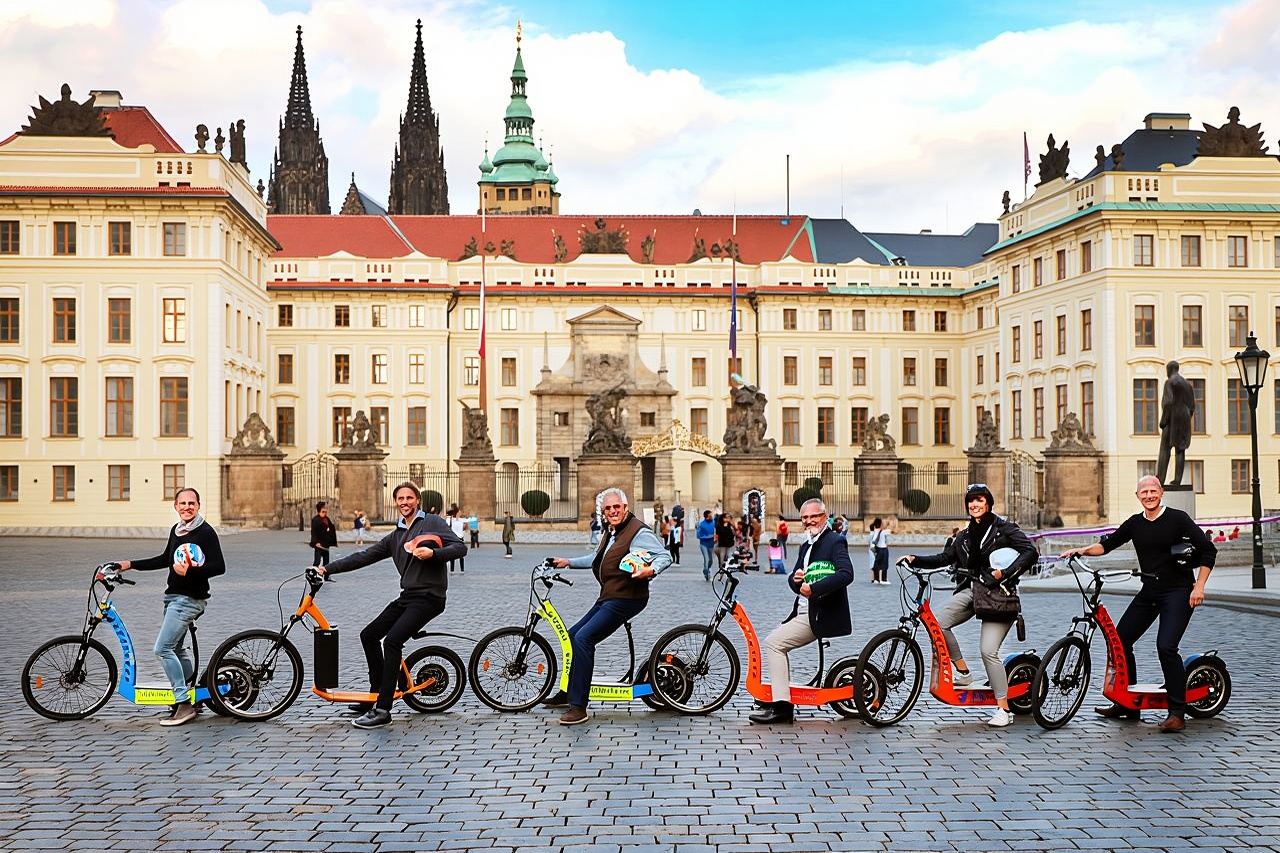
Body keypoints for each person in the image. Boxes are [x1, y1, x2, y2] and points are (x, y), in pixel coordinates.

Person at [1060, 475, 1216, 732]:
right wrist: (1081, 551)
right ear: (1138, 496)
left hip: (1178, 592)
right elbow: (1107, 545)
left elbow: (1208, 551)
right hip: (1150, 591)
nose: (1149, 495)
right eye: (1144, 492)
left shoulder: (1178, 519)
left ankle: (1177, 712)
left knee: (1166, 646)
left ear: (1161, 492)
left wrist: (1198, 587)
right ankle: (1127, 704)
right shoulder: (1135, 523)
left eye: (1153, 491)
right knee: (1120, 641)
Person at [318, 481, 467, 729]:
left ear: (417, 500)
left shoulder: (432, 522)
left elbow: (460, 548)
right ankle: (376, 693)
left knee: (392, 641)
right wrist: (327, 568)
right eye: (400, 499)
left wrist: (434, 554)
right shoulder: (396, 535)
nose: (405, 502)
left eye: (409, 498)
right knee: (369, 635)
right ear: (396, 502)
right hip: (408, 596)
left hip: (430, 597)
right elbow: (363, 557)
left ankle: (383, 709)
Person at [905, 483, 1038, 728]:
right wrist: (916, 559)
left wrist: (1004, 573)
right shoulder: (965, 535)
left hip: (998, 594)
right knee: (937, 623)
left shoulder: (1004, 529)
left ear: (988, 503)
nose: (974, 505)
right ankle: (964, 674)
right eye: (971, 501)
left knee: (988, 651)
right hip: (971, 591)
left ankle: (1003, 709)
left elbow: (1030, 552)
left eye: (979, 500)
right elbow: (946, 558)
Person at [546, 488, 671, 725]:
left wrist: (650, 570)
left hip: (627, 598)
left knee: (584, 639)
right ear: (603, 512)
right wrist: (568, 562)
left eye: (617, 507)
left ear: (625, 508)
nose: (613, 511)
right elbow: (597, 558)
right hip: (609, 596)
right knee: (572, 635)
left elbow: (665, 556)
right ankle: (569, 691)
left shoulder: (638, 532)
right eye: (608, 509)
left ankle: (578, 707)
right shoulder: (611, 532)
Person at [109, 487, 225, 727]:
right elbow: (165, 559)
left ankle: (183, 704)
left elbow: (219, 566)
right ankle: (192, 697)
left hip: (189, 599)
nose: (187, 507)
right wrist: (128, 564)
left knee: (162, 648)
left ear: (199, 506)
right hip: (172, 596)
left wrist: (192, 570)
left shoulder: (205, 532)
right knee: (178, 649)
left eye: (191, 503)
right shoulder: (177, 530)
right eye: (182, 503)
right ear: (175, 506)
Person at [749, 498, 855, 724]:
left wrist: (814, 588)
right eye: (805, 517)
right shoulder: (806, 544)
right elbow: (794, 580)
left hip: (819, 614)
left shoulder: (835, 541)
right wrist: (796, 581)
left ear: (824, 517)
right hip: (802, 611)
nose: (809, 521)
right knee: (777, 642)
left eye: (814, 516)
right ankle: (780, 694)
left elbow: (846, 574)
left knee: (773, 643)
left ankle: (782, 707)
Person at [310, 501, 337, 567]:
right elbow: (313, 532)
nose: (325, 513)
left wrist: (332, 540)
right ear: (319, 511)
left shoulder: (327, 519)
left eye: (325, 512)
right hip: (319, 544)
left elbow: (331, 529)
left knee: (326, 563)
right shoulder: (315, 520)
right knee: (317, 561)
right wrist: (315, 542)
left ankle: (326, 576)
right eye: (323, 512)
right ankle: (314, 574)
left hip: (326, 544)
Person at [868, 517, 891, 584]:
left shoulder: (876, 531)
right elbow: (891, 530)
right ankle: (883, 579)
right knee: (884, 565)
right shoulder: (883, 531)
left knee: (877, 564)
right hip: (883, 549)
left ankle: (877, 579)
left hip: (879, 549)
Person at [696, 510, 716, 581]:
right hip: (703, 544)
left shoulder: (714, 523)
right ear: (706, 517)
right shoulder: (702, 524)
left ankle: (708, 569)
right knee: (706, 559)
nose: (712, 517)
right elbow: (698, 535)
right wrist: (709, 536)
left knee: (711, 560)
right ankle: (706, 571)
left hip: (711, 544)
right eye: (710, 516)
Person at [447, 509, 467, 574]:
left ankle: (462, 570)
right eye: (459, 512)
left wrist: (465, 525)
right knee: (452, 554)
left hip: (460, 538)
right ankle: (452, 570)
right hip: (453, 538)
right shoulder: (451, 520)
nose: (460, 513)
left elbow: (465, 527)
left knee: (461, 555)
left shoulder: (462, 520)